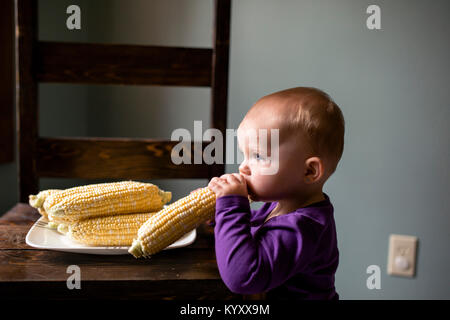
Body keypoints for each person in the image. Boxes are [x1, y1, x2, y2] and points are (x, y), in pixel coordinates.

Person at [207, 87, 345, 300]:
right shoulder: (282, 206)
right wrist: (217, 212)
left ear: (309, 171)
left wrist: (231, 208)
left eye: (259, 156)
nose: (243, 167)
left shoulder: (304, 228)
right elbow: (251, 228)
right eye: (245, 155)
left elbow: (242, 277)